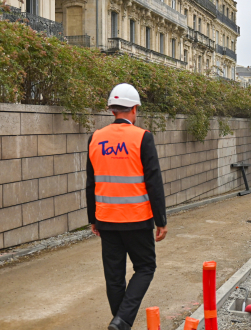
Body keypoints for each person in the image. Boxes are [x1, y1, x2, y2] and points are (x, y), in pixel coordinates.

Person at [86, 83, 167, 330]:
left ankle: (120, 322)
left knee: (114, 276)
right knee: (145, 267)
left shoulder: (95, 138)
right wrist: (160, 220)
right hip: (137, 218)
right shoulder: (142, 137)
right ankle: (122, 321)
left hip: (106, 219)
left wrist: (93, 218)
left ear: (112, 110)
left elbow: (91, 182)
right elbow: (154, 181)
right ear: (134, 109)